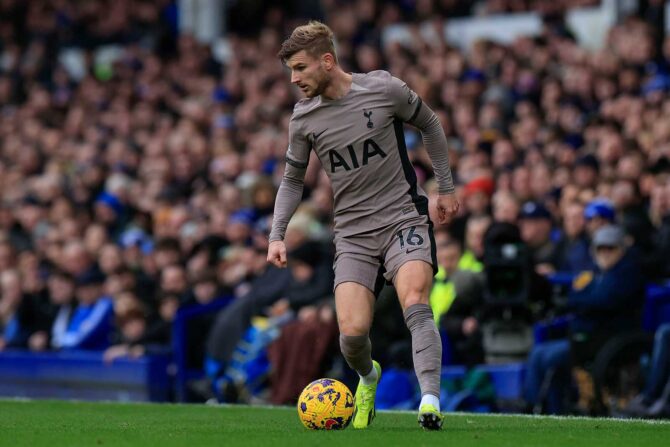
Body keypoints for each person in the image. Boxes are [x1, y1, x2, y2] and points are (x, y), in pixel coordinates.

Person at [267, 21, 459, 430]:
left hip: (402, 216)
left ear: (327, 61)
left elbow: (431, 123)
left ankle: (430, 401)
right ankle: (368, 376)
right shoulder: (304, 119)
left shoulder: (383, 89)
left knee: (416, 304)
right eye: (290, 71)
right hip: (353, 234)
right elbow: (293, 180)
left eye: (300, 68)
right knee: (352, 336)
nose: (294, 79)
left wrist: (444, 187)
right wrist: (277, 233)